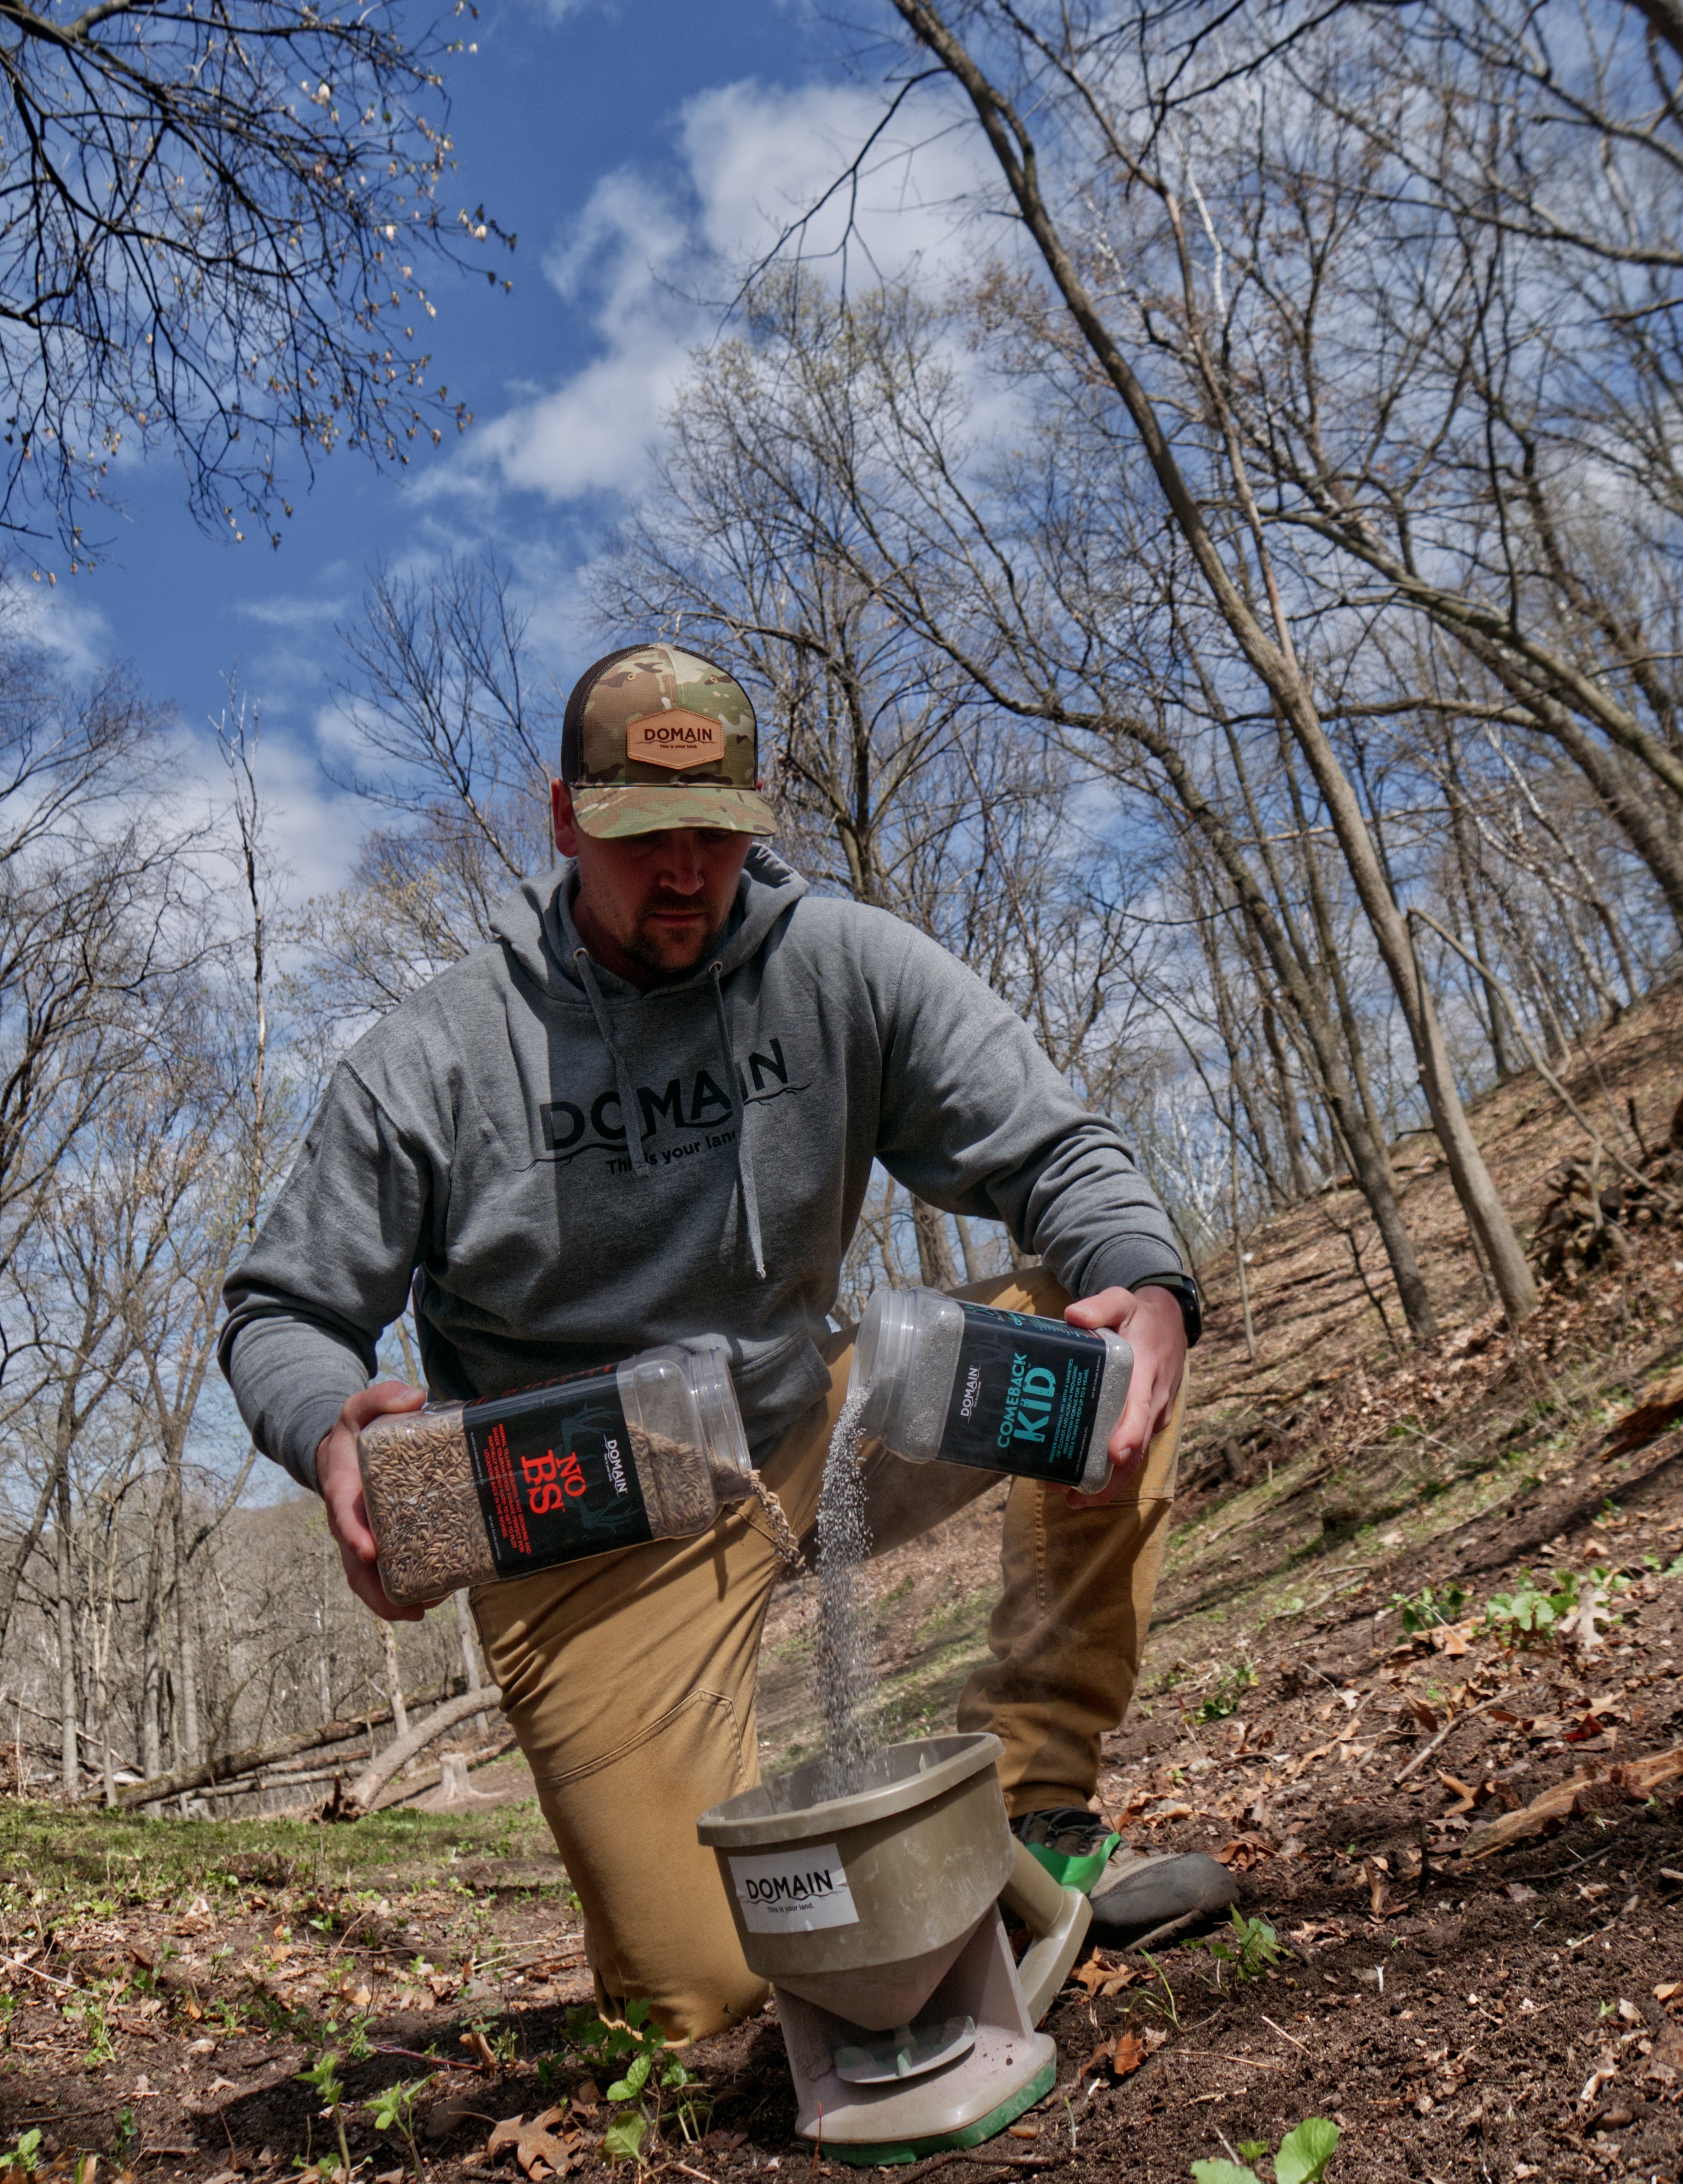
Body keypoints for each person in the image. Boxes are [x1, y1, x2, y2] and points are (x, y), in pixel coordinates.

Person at [219, 641, 1234, 2042]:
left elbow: (1062, 1154)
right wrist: (329, 1424)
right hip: (585, 1513)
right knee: (714, 2006)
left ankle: (1033, 1800)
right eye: (643, 837)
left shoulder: (837, 964)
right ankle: (715, 1915)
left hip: (811, 1419)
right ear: (565, 817)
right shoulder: (436, 1059)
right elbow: (282, 1309)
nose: (685, 873)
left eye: (716, 834)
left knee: (1104, 1355)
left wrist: (1151, 1282)